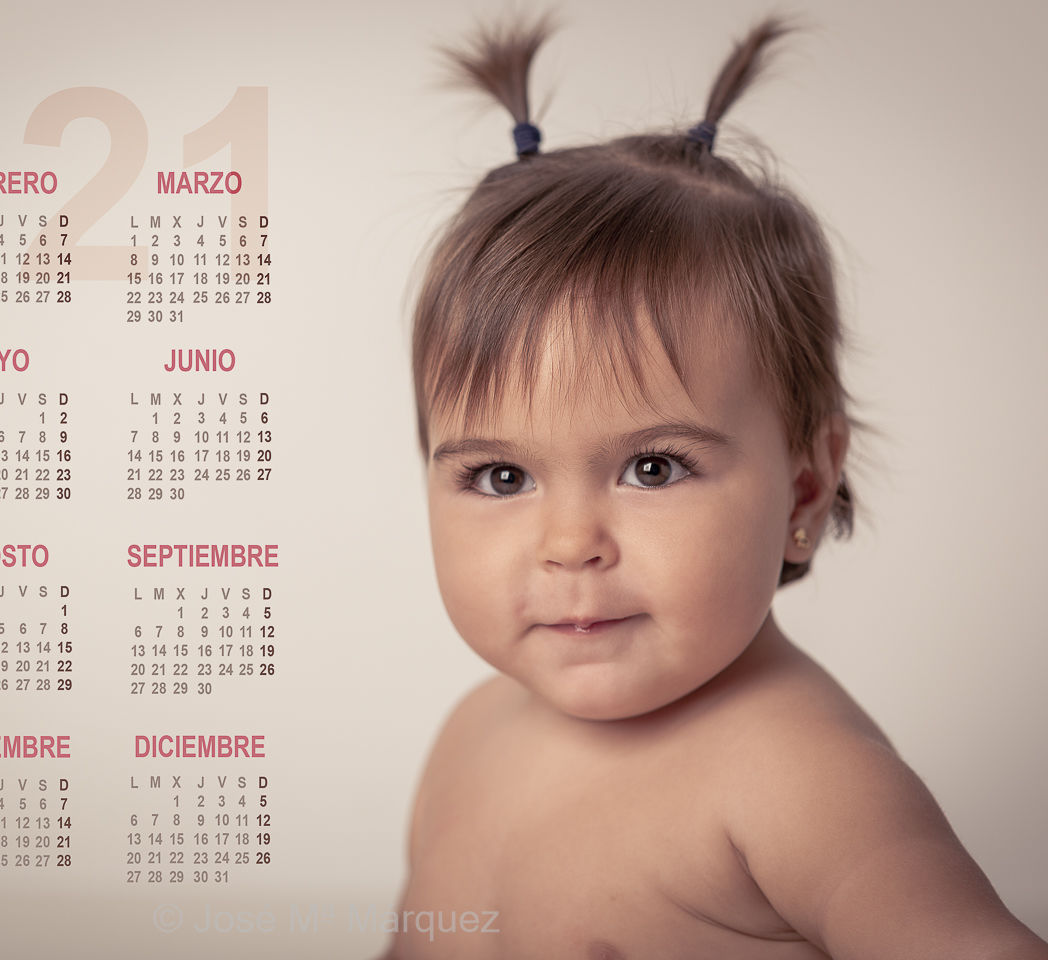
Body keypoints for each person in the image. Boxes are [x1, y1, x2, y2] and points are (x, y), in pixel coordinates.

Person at [387, 15, 1048, 959]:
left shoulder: (797, 775)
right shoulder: (469, 739)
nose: (570, 543)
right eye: (501, 475)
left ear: (807, 490)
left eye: (653, 467)